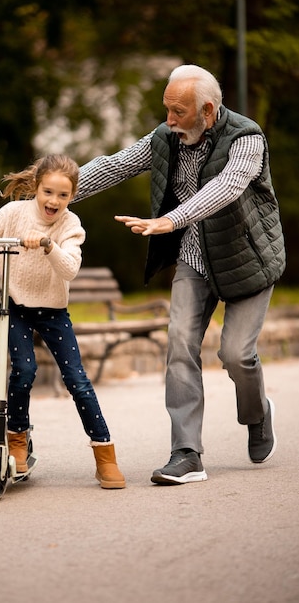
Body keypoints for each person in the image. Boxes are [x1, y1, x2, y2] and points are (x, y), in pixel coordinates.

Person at [76, 64, 285, 485]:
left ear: (207, 111)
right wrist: (49, 190)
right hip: (194, 257)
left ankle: (258, 412)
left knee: (235, 354)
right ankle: (186, 453)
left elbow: (225, 188)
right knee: (180, 343)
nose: (169, 121)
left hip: (247, 255)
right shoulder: (166, 137)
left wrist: (172, 220)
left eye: (179, 112)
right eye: (166, 110)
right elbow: (114, 166)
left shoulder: (247, 139)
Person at [0, 154, 125, 489]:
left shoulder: (71, 225)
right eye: (48, 192)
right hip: (17, 307)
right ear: (36, 187)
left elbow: (70, 268)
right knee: (24, 370)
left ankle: (104, 453)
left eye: (63, 195)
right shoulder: (13, 213)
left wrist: (49, 245)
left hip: (53, 311)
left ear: (72, 195)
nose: (54, 201)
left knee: (77, 380)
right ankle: (18, 440)